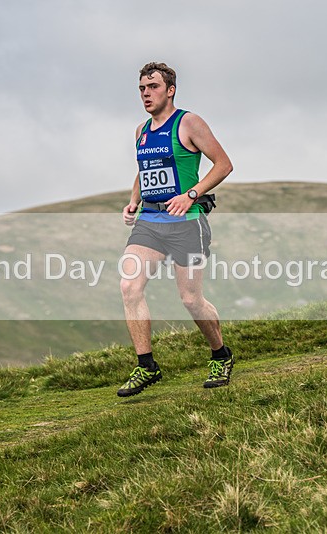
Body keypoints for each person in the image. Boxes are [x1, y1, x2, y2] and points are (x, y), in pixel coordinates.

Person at [117, 61, 234, 397]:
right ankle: (146, 366)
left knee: (191, 299)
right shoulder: (141, 131)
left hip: (186, 223)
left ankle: (221, 355)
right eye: (142, 88)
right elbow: (144, 169)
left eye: (153, 87)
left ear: (170, 90)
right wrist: (133, 200)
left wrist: (191, 195)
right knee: (129, 286)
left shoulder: (188, 123)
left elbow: (224, 164)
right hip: (150, 222)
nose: (146, 94)